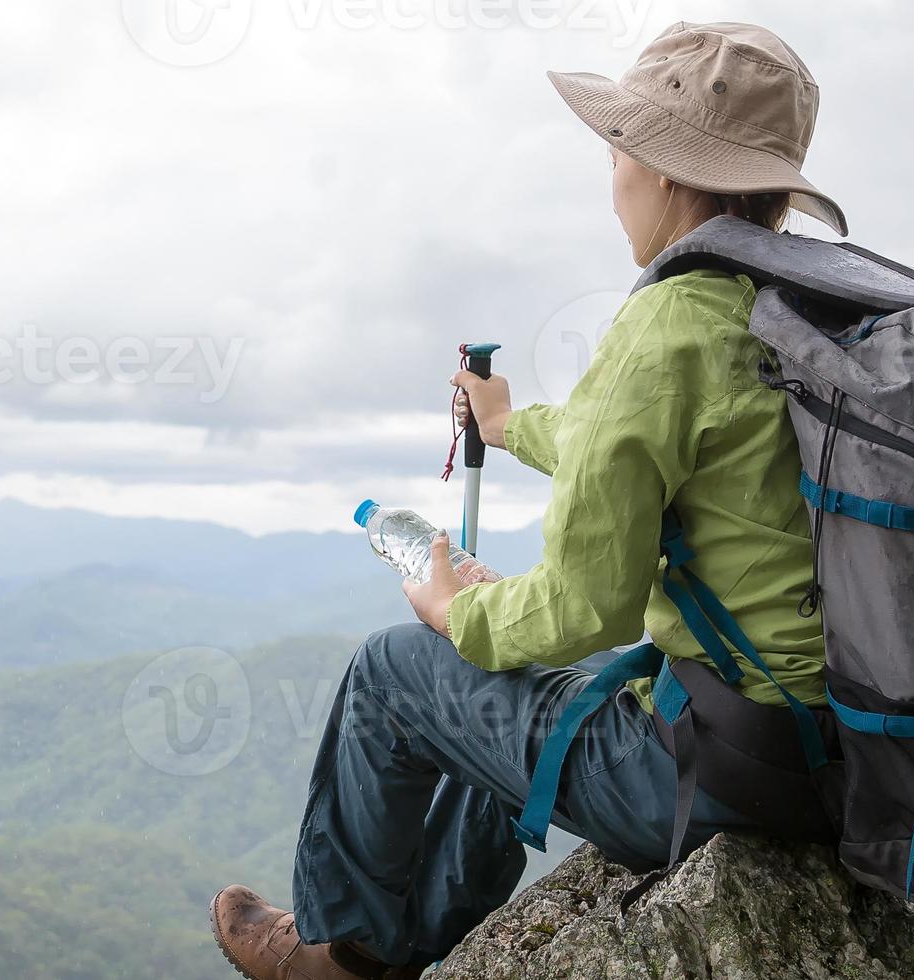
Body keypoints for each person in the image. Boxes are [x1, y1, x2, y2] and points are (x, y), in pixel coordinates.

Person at [212, 23, 854, 980]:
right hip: (836, 748)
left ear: (666, 172)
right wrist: (510, 426)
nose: (615, 179)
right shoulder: (797, 304)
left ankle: (337, 953)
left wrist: (452, 608)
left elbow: (585, 603)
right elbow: (667, 446)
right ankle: (411, 941)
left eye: (618, 152)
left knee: (401, 665)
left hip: (727, 773)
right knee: (532, 667)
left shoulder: (671, 322)